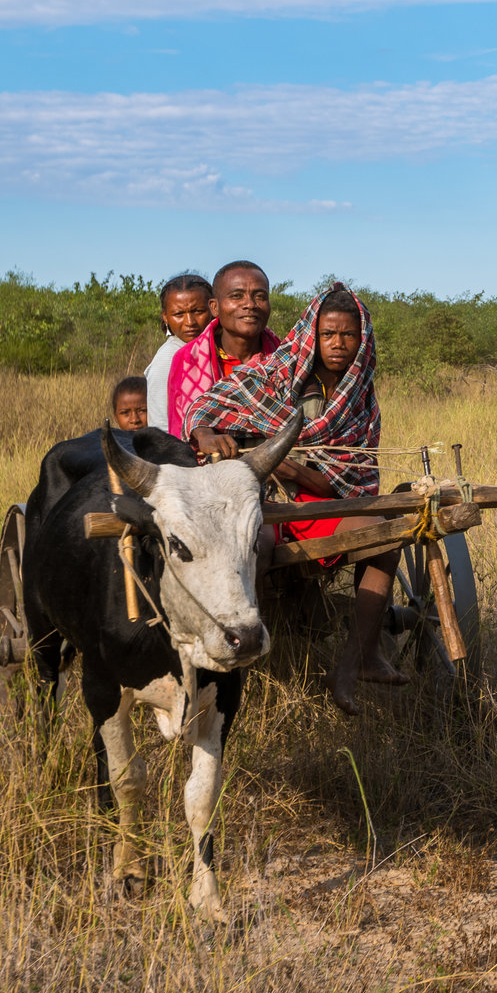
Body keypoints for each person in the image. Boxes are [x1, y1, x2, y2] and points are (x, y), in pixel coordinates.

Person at [184, 283, 407, 715]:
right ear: (311, 335)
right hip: (259, 499)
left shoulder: (361, 400)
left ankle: (355, 663)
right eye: (328, 334)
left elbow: (347, 483)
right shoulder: (272, 375)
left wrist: (294, 469)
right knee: (256, 546)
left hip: (319, 504)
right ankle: (238, 675)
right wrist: (208, 433)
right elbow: (206, 407)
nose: (338, 344)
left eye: (348, 335)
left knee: (386, 538)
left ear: (362, 342)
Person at [169, 260, 279, 452]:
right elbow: (177, 438)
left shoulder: (284, 359)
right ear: (214, 307)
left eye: (260, 296)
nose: (250, 305)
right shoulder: (187, 360)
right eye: (237, 296)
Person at [142, 273, 212, 434]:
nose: (190, 322)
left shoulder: (211, 349)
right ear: (165, 317)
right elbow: (161, 427)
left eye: (198, 311)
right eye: (179, 314)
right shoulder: (168, 358)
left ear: (213, 308)